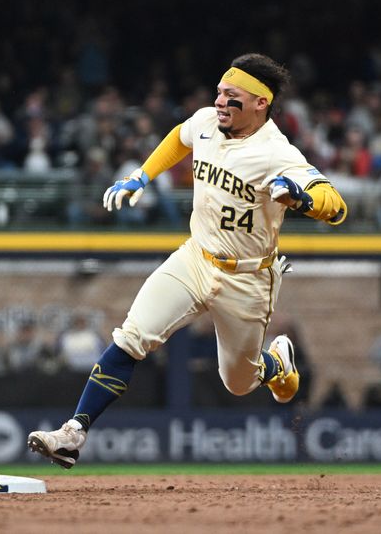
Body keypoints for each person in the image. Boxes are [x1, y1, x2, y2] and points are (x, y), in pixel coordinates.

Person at [28, 53, 347, 468]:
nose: (219, 101)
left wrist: (301, 197)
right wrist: (141, 175)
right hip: (195, 257)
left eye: (231, 96)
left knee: (237, 382)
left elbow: (336, 207)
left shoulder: (275, 153)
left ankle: (274, 365)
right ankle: (73, 432)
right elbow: (180, 136)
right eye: (218, 91)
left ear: (259, 103)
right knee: (132, 336)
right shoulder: (207, 123)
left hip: (247, 278)